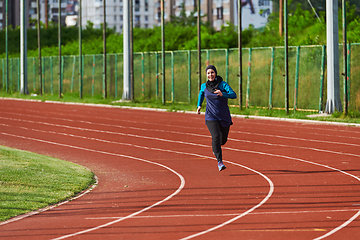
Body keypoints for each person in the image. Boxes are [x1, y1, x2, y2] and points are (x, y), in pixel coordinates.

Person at [197, 65, 237, 171]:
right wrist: (199, 105)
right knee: (215, 136)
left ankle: (216, 147)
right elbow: (201, 94)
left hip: (224, 116)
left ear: (216, 73)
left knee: (222, 140)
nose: (210, 75)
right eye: (208, 73)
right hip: (211, 116)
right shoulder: (204, 86)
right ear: (206, 75)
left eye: (212, 72)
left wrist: (222, 94)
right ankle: (220, 162)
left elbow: (233, 95)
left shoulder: (223, 84)